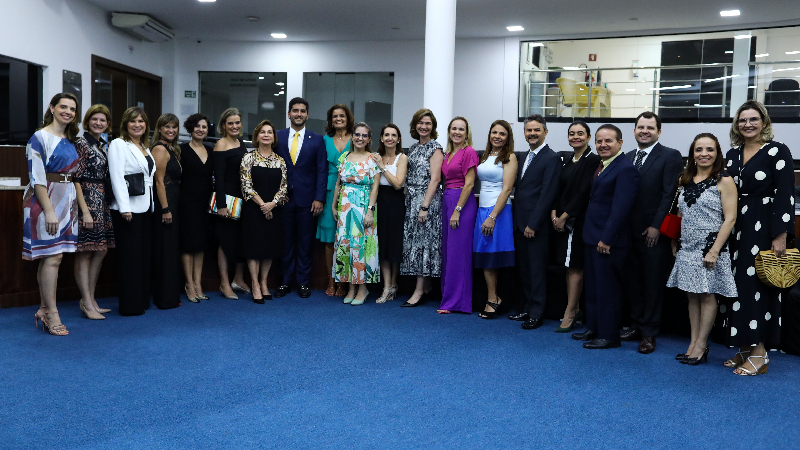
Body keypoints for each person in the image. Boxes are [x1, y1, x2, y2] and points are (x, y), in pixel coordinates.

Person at [724, 100, 794, 376]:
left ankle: (760, 352)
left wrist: (781, 235)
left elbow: (785, 194)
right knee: (738, 288)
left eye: (753, 119)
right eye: (743, 120)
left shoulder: (778, 150)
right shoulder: (732, 154)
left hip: (764, 227)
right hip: (736, 227)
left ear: (764, 122)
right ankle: (745, 346)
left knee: (758, 288)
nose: (748, 124)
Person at [667, 133, 737, 365]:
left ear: (717, 153)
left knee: (706, 296)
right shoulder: (684, 178)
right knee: (692, 296)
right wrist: (674, 240)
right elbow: (680, 213)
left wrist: (714, 251)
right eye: (699, 149)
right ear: (692, 154)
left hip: (710, 247)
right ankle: (693, 343)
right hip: (687, 246)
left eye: (709, 149)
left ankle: (701, 345)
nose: (704, 154)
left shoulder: (724, 180)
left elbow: (730, 219)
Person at [572, 124, 639, 349]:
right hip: (592, 236)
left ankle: (609, 336)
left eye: (608, 141)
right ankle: (594, 327)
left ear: (620, 143)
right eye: (599, 141)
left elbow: (621, 208)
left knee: (607, 289)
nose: (603, 145)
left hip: (609, 241)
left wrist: (607, 238)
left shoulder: (625, 169)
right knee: (593, 287)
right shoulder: (602, 165)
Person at [622, 112, 684, 354]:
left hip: (653, 233)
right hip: (628, 232)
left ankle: (649, 333)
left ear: (659, 131)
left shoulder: (670, 155)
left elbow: (670, 194)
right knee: (634, 282)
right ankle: (636, 325)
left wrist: (656, 226)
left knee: (652, 284)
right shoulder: (627, 157)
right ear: (634, 131)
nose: (644, 131)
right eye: (640, 127)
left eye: (649, 127)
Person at [24, 93, 81, 335]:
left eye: (72, 109)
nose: (67, 112)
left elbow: (73, 176)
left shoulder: (70, 139)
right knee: (52, 257)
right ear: (52, 108)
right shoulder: (39, 137)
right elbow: (37, 178)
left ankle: (44, 308)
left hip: (66, 199)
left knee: (52, 257)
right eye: (63, 107)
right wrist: (49, 211)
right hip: (45, 199)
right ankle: (52, 313)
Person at [509, 114, 561, 329]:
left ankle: (537, 313)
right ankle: (526, 308)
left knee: (537, 271)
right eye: (529, 130)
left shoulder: (552, 158)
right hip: (518, 223)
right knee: (524, 270)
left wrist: (533, 224)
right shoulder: (522, 157)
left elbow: (547, 194)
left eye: (537, 130)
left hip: (535, 226)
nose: (532, 133)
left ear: (545, 132)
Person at [274, 97, 327, 299]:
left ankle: (303, 282)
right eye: (295, 110)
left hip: (308, 201)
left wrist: (319, 198)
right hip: (284, 200)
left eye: (302, 111)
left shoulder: (317, 139)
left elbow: (321, 170)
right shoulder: (278, 136)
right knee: (285, 243)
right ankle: (285, 282)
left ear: (307, 115)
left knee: (305, 243)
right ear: (289, 114)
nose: (299, 114)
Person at [550, 121, 600, 331]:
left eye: (580, 133)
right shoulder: (568, 159)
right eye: (572, 134)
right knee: (567, 265)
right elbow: (559, 188)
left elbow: (583, 192)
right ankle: (575, 308)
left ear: (588, 137)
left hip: (577, 221)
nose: (576, 137)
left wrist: (564, 216)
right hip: (561, 219)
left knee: (574, 266)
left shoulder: (593, 160)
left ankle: (570, 313)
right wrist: (554, 212)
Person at [108, 107, 157, 316]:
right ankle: (130, 305)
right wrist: (124, 208)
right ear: (125, 124)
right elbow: (117, 177)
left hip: (145, 208)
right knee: (130, 259)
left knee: (142, 257)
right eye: (133, 121)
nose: (137, 125)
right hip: (128, 210)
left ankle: (141, 300)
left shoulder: (144, 146)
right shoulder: (119, 144)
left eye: (141, 121)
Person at [331, 122, 381, 305]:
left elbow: (375, 187)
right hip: (345, 208)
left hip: (363, 207)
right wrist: (334, 206)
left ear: (369, 139)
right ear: (352, 137)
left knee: (361, 247)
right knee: (346, 245)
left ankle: (362, 288)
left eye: (364, 135)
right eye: (357, 134)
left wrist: (370, 211)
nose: (360, 138)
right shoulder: (344, 156)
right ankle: (351, 288)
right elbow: (338, 183)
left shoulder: (373, 158)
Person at [74, 104, 115, 320]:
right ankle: (86, 302)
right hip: (87, 201)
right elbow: (76, 179)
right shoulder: (81, 143)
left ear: (107, 124)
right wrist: (85, 211)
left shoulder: (102, 145)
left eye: (102, 120)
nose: (98, 123)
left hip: (102, 201)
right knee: (86, 251)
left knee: (101, 249)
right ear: (88, 121)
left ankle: (90, 299)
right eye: (95, 119)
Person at [240, 120, 288, 303]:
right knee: (254, 249)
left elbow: (284, 187)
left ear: (274, 137)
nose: (266, 135)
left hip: (274, 210)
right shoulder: (248, 158)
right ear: (257, 136)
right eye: (263, 132)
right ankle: (254, 284)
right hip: (253, 210)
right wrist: (263, 205)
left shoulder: (280, 160)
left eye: (269, 132)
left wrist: (272, 204)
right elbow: (246, 185)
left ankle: (264, 282)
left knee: (269, 248)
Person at [473, 120, 517, 319]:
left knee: (492, 256)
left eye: (502, 134)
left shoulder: (509, 157)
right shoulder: (485, 155)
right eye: (494, 132)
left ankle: (493, 299)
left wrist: (492, 216)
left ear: (507, 138)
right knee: (485, 255)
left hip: (498, 210)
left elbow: (507, 189)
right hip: (482, 208)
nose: (497, 136)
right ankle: (493, 297)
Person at [400, 109, 444, 307]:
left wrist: (424, 207)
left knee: (423, 245)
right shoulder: (413, 148)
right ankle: (426, 287)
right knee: (415, 244)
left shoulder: (435, 148)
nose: (424, 126)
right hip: (412, 200)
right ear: (414, 125)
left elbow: (435, 179)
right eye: (420, 123)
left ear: (433, 127)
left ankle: (418, 292)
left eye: (428, 123)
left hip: (427, 201)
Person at [438, 117, 479, 314]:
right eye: (454, 128)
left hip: (461, 203)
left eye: (461, 129)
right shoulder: (448, 153)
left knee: (458, 254)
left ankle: (457, 302)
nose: (457, 132)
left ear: (466, 133)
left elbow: (469, 184)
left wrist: (458, 209)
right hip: (448, 200)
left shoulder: (469, 151)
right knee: (449, 252)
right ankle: (448, 297)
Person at [212, 108, 251, 300]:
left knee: (241, 239)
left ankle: (238, 279)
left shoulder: (240, 142)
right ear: (223, 125)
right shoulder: (221, 144)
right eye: (230, 123)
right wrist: (221, 204)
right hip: (226, 199)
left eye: (237, 122)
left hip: (241, 198)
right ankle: (224, 283)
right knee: (225, 241)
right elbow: (218, 177)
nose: (234, 126)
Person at [317, 104, 353, 297]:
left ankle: (344, 282)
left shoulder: (356, 138)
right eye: (334, 116)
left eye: (342, 116)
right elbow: (319, 169)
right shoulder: (324, 140)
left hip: (351, 191)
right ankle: (331, 280)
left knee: (347, 239)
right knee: (330, 240)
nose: (338, 119)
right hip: (329, 191)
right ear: (330, 120)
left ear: (348, 118)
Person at [371, 124, 407, 303]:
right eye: (386, 135)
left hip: (396, 203)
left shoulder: (402, 158)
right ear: (381, 138)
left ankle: (394, 284)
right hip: (381, 202)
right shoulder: (377, 157)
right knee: (383, 245)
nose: (390, 138)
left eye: (393, 135)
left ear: (398, 139)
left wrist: (382, 167)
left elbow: (398, 184)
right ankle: (386, 287)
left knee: (395, 245)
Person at [179, 113, 212, 301]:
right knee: (188, 245)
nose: (201, 129)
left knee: (200, 245)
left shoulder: (210, 150)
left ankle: (198, 283)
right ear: (191, 128)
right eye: (197, 126)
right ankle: (189, 284)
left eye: (204, 127)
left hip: (205, 203)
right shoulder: (181, 150)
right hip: (187, 203)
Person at [151, 113, 182, 309]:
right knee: (165, 250)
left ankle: (170, 295)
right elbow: (158, 181)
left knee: (170, 250)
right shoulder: (160, 149)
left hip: (174, 201)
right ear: (160, 129)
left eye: (174, 127)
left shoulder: (172, 148)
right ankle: (165, 298)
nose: (171, 130)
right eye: (167, 127)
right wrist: (165, 209)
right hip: (166, 203)